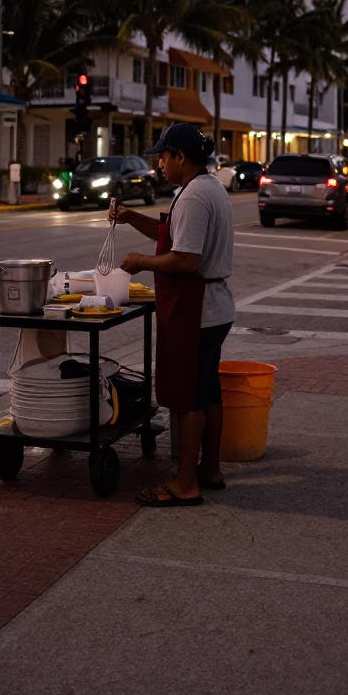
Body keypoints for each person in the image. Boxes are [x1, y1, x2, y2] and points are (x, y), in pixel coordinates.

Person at [113, 122, 235, 508]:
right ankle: (210, 469)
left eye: (164, 157)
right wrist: (132, 217)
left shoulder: (196, 195)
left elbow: (185, 258)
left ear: (181, 157)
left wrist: (140, 262)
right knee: (208, 391)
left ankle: (186, 483)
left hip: (197, 308)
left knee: (189, 398)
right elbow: (172, 234)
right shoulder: (204, 187)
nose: (160, 164)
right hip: (211, 308)